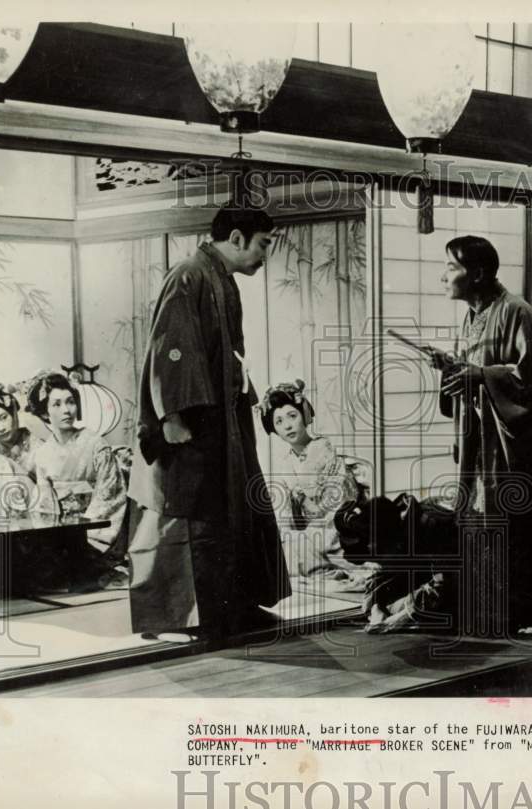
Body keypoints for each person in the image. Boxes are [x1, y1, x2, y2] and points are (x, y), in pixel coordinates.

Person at [127, 205, 290, 643]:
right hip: (191, 423)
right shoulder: (188, 275)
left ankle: (232, 607)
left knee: (229, 511)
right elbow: (170, 350)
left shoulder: (221, 278)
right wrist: (172, 416)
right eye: (263, 244)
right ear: (236, 238)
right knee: (192, 515)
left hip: (221, 420)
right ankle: (192, 617)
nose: (264, 255)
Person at [430, 235, 532, 635]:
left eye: (451, 268)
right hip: (481, 438)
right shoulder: (473, 315)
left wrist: (482, 375)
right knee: (483, 519)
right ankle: (496, 608)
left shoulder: (516, 312)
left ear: (479, 273)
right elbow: (475, 373)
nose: (443, 277)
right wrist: (452, 367)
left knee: (522, 520)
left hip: (514, 442)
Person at [258, 379, 373, 590]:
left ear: (304, 415)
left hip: (336, 530)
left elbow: (341, 501)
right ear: (274, 429)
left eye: (292, 416)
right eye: (279, 422)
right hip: (309, 533)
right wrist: (286, 533)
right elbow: (283, 513)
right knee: (277, 549)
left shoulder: (325, 450)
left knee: (306, 548)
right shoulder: (284, 463)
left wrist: (313, 530)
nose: (288, 426)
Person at [26, 372, 129, 587]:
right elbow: (45, 507)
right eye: (57, 404)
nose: (66, 410)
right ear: (45, 412)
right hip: (62, 538)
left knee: (81, 570)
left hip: (97, 536)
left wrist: (85, 537)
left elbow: (109, 496)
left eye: (70, 402)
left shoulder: (96, 444)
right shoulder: (43, 454)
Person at [0, 382, 40, 516]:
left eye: (3, 417)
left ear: (13, 413)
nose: (1, 427)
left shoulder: (35, 442)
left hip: (37, 507)